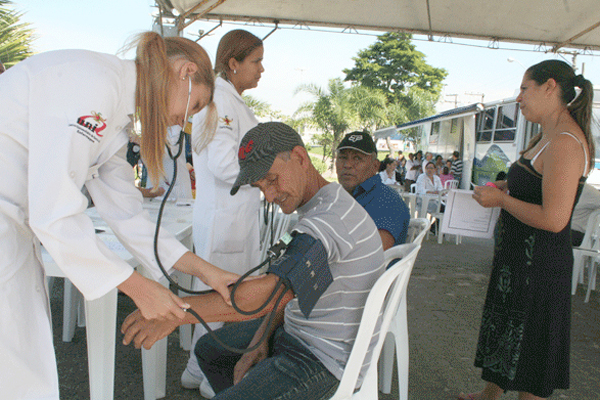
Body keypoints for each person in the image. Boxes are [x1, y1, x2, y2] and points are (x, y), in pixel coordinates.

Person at [0, 32, 240, 400]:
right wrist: (140, 287)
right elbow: (56, 213)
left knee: (25, 358)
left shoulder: (115, 116)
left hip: (12, 228)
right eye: (195, 106)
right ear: (185, 72)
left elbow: (128, 214)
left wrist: (206, 271)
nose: (183, 121)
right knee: (20, 366)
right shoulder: (95, 84)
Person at [121, 122, 385, 400]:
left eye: (272, 180)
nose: (269, 195)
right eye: (261, 187)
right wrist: (263, 336)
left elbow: (269, 296)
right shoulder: (322, 204)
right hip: (302, 332)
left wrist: (174, 315)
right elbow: (289, 293)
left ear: (300, 158)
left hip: (324, 359)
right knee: (210, 350)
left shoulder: (329, 222)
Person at [468, 60, 594, 400]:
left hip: (538, 268)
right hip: (519, 263)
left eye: (525, 88)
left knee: (532, 359)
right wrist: (505, 186)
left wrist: (502, 202)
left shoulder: (566, 142)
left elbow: (554, 219)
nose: (519, 98)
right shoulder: (546, 135)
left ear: (549, 87)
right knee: (507, 336)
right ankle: (489, 394)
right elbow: (536, 183)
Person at [181, 29, 266, 389]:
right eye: (256, 61)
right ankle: (207, 376)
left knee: (226, 301)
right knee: (222, 302)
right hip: (225, 220)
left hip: (234, 218)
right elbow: (224, 164)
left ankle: (198, 371)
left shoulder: (231, 100)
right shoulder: (220, 102)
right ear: (233, 63)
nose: (262, 70)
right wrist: (266, 174)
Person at [336, 131, 410, 249]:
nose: (347, 165)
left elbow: (372, 255)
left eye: (357, 158)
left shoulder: (387, 201)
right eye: (343, 157)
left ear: (375, 166)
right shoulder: (338, 196)